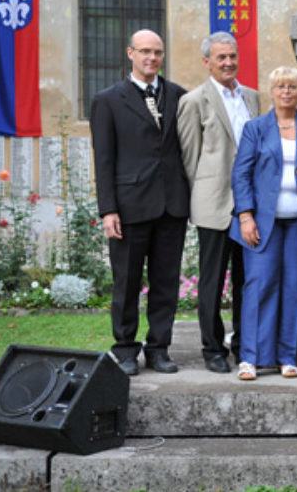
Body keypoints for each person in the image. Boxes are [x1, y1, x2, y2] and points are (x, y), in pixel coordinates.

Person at [90, 29, 189, 376]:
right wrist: (108, 209)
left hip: (172, 205)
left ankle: (159, 348)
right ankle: (125, 348)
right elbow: (104, 158)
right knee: (127, 282)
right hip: (129, 206)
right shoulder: (108, 99)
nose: (152, 58)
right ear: (130, 52)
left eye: (158, 52)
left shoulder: (178, 96)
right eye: (145, 51)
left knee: (166, 282)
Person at [230, 66, 297, 380]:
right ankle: (250, 358)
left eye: (292, 87)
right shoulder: (256, 128)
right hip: (262, 224)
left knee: (293, 288)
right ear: (272, 91)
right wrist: (245, 215)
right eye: (280, 86)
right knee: (259, 287)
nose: (286, 92)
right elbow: (241, 175)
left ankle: (287, 357)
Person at [177, 31, 260, 373]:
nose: (228, 63)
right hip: (214, 205)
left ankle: (242, 344)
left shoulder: (253, 98)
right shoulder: (195, 101)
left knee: (246, 280)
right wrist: (204, 194)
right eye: (221, 57)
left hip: (250, 209)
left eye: (232, 56)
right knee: (212, 282)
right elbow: (189, 158)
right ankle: (212, 348)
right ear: (207, 62)